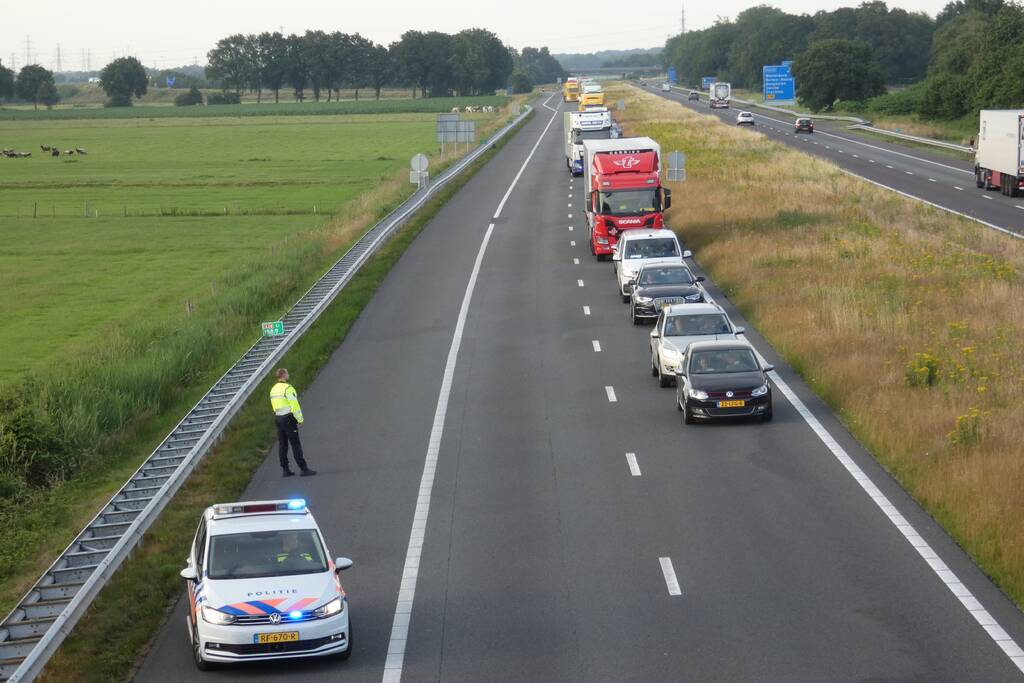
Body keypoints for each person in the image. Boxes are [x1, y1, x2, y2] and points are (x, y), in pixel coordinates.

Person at [269, 369, 316, 477]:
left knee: (282, 444)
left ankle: (285, 470)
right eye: (287, 373)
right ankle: (303, 469)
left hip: (278, 418)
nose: (288, 375)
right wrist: (300, 419)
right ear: (284, 375)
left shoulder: (273, 389)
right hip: (288, 418)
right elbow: (294, 405)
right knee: (295, 444)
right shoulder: (288, 388)